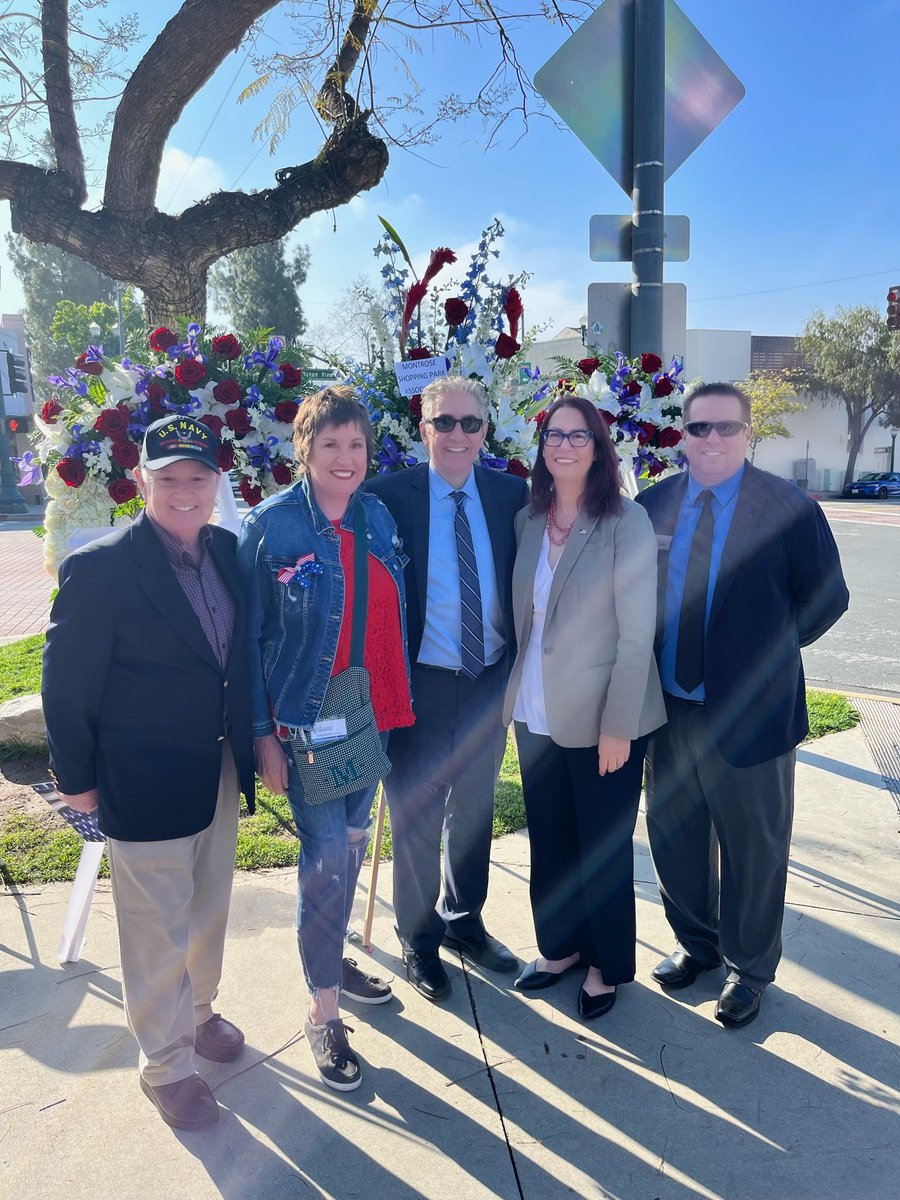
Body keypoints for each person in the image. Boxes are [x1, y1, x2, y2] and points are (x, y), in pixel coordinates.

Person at [42, 416, 256, 1131]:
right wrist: (75, 778)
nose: (186, 491)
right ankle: (165, 1065)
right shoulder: (101, 566)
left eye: (199, 477)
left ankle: (197, 1015)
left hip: (218, 766)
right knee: (155, 927)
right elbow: (66, 684)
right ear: (141, 482)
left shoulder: (227, 551)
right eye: (169, 479)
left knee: (208, 908)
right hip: (140, 775)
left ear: (217, 482)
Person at [637, 382, 849, 1027]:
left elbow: (827, 599)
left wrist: (766, 659)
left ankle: (749, 968)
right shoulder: (653, 506)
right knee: (674, 837)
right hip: (668, 710)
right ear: (683, 434)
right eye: (699, 428)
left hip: (750, 716)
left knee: (754, 849)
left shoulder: (788, 508)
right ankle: (698, 946)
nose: (712, 440)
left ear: (748, 433)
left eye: (726, 428)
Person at [237, 386, 413, 1091]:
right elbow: (248, 643)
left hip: (368, 716)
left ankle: (330, 961)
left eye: (357, 445)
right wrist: (261, 737)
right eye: (330, 444)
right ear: (304, 449)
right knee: (323, 862)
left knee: (348, 847)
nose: (345, 458)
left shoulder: (378, 515)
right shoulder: (271, 526)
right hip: (305, 727)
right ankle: (322, 1010)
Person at [364, 376, 530, 1001]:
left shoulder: (513, 494)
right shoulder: (386, 496)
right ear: (423, 427)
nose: (458, 435)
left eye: (470, 423)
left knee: (475, 810)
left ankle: (465, 921)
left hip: (488, 679)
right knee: (414, 814)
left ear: (486, 430)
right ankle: (418, 935)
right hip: (416, 685)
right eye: (444, 423)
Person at [504, 395, 666, 1019]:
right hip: (536, 710)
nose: (563, 445)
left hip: (605, 717)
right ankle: (561, 947)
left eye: (578, 436)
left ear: (598, 447)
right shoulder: (528, 519)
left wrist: (618, 726)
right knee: (550, 837)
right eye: (552, 434)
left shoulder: (626, 520)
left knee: (601, 844)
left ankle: (605, 963)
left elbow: (636, 632)